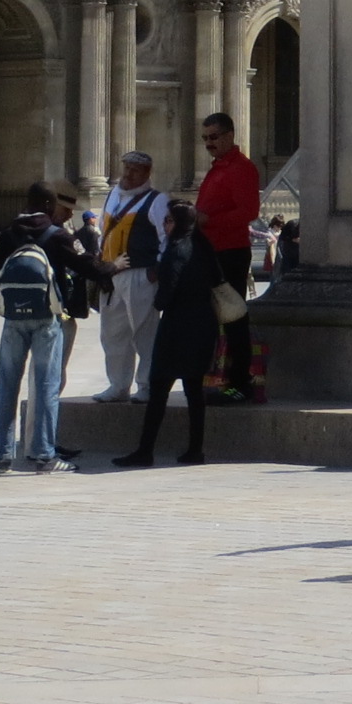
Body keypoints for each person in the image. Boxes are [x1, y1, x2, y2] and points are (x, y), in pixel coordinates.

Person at [0, 185, 97, 473]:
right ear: (49, 204)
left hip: (14, 319)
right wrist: (113, 268)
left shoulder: (9, 234)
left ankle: (4, 453)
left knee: (8, 384)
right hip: (48, 317)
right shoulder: (57, 235)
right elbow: (86, 265)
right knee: (46, 385)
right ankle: (43, 455)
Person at [112, 202, 225, 468]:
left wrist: (159, 302)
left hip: (177, 327)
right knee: (194, 391)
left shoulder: (176, 250)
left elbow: (166, 294)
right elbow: (218, 278)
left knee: (160, 388)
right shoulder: (202, 244)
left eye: (169, 220)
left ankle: (145, 450)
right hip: (203, 325)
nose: (165, 225)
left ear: (179, 223)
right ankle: (195, 450)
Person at [193, 113, 262, 400]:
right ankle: (215, 378)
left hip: (230, 251)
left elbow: (248, 213)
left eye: (214, 137)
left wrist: (207, 221)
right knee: (210, 318)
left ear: (230, 135)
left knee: (234, 317)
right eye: (205, 138)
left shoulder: (241, 168)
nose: (209, 143)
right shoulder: (218, 168)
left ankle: (239, 382)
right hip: (211, 251)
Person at [93, 151, 168, 403]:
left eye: (134, 169)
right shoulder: (112, 195)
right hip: (111, 275)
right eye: (126, 168)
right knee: (112, 333)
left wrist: (154, 272)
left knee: (144, 333)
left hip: (139, 275)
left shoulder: (157, 201)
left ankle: (146, 385)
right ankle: (118, 384)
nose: (127, 174)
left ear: (146, 173)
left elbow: (166, 239)